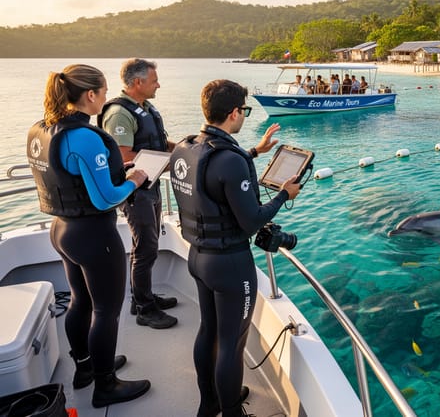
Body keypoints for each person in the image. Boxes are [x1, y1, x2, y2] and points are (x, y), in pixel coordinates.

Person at [169, 80, 301, 417]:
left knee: (208, 331)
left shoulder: (187, 147)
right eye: (244, 109)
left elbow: (212, 178)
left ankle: (209, 402)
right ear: (234, 113)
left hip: (198, 258)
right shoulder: (229, 160)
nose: (244, 114)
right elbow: (252, 221)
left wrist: (256, 151)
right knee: (231, 343)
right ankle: (231, 411)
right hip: (230, 266)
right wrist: (285, 194)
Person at [26, 64, 151, 408]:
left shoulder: (42, 129)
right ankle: (106, 385)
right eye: (105, 91)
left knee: (81, 300)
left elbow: (73, 174)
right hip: (94, 236)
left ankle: (85, 368)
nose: (107, 98)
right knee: (107, 311)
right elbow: (105, 198)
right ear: (91, 95)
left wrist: (115, 171)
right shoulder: (83, 136)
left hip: (62, 231)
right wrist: (135, 180)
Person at [99, 58, 177, 330]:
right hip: (136, 191)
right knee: (146, 248)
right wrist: (167, 161)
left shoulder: (144, 107)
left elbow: (155, 140)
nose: (158, 84)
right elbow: (122, 156)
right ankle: (145, 309)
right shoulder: (120, 114)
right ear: (137, 83)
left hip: (150, 185)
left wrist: (181, 150)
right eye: (154, 80)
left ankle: (142, 298)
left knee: (147, 245)